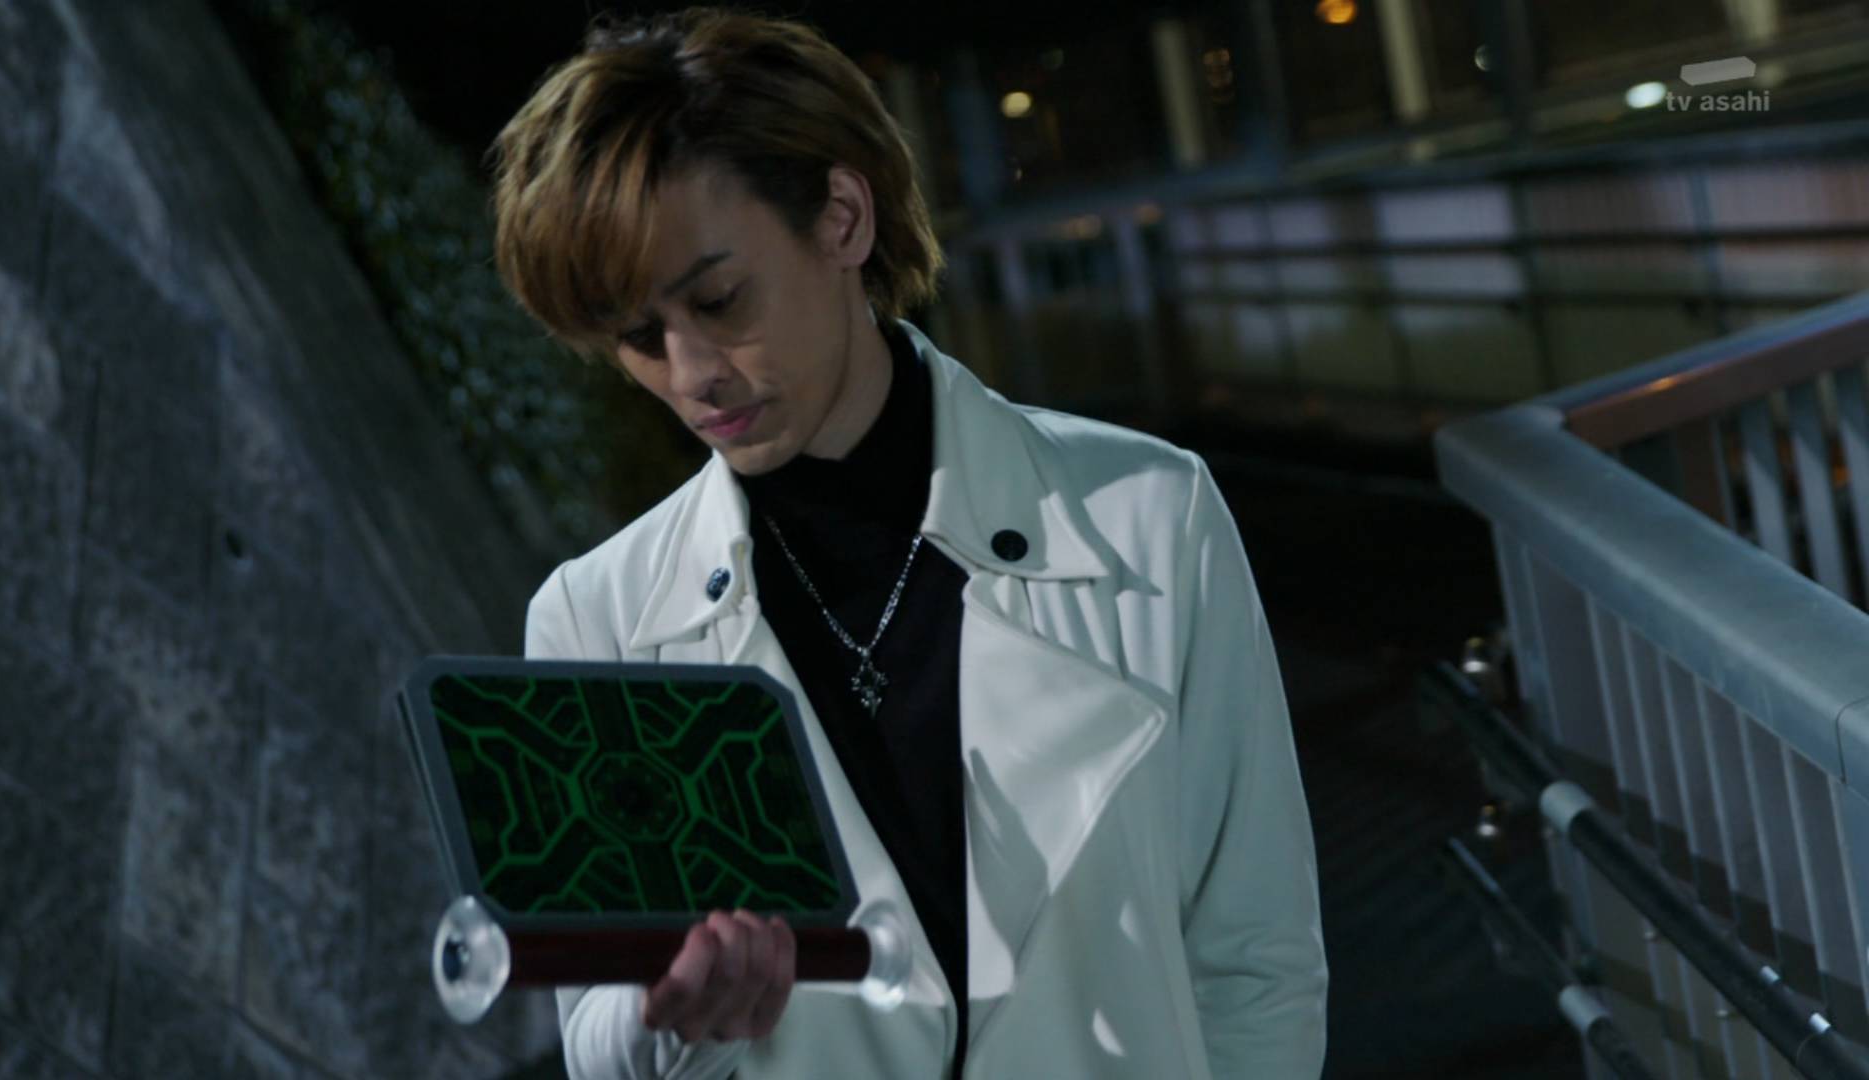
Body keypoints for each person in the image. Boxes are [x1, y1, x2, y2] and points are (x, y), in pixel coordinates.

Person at [494, 8, 1326, 1078]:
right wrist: (672, 1017)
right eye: (638, 336)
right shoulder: (597, 617)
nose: (692, 374)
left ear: (842, 218)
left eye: (719, 299)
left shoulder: (1149, 514)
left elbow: (1258, 964)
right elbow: (599, 1049)